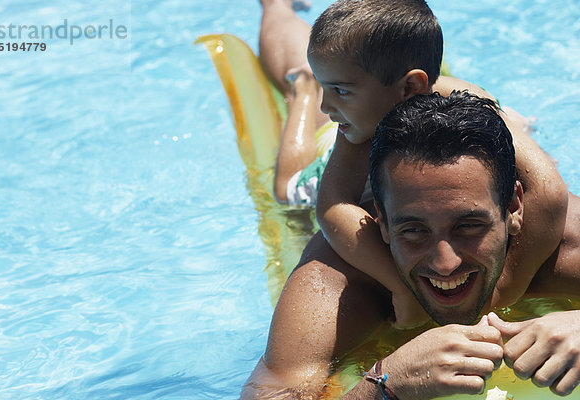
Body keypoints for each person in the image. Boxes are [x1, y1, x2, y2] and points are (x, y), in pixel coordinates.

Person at [240, 91, 580, 399]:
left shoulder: (565, 247)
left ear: (513, 208)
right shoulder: (338, 284)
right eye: (414, 231)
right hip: (335, 156)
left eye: (469, 226)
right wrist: (386, 384)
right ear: (382, 223)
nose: (445, 263)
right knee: (304, 159)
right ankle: (299, 85)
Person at [258, 0, 568, 327]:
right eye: (326, 88)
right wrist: (400, 286)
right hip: (340, 148)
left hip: (432, 108)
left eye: (338, 90)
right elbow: (332, 208)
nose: (327, 104)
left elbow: (549, 192)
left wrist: (506, 286)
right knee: (285, 189)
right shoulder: (356, 136)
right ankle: (297, 73)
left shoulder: (473, 109)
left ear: (410, 87)